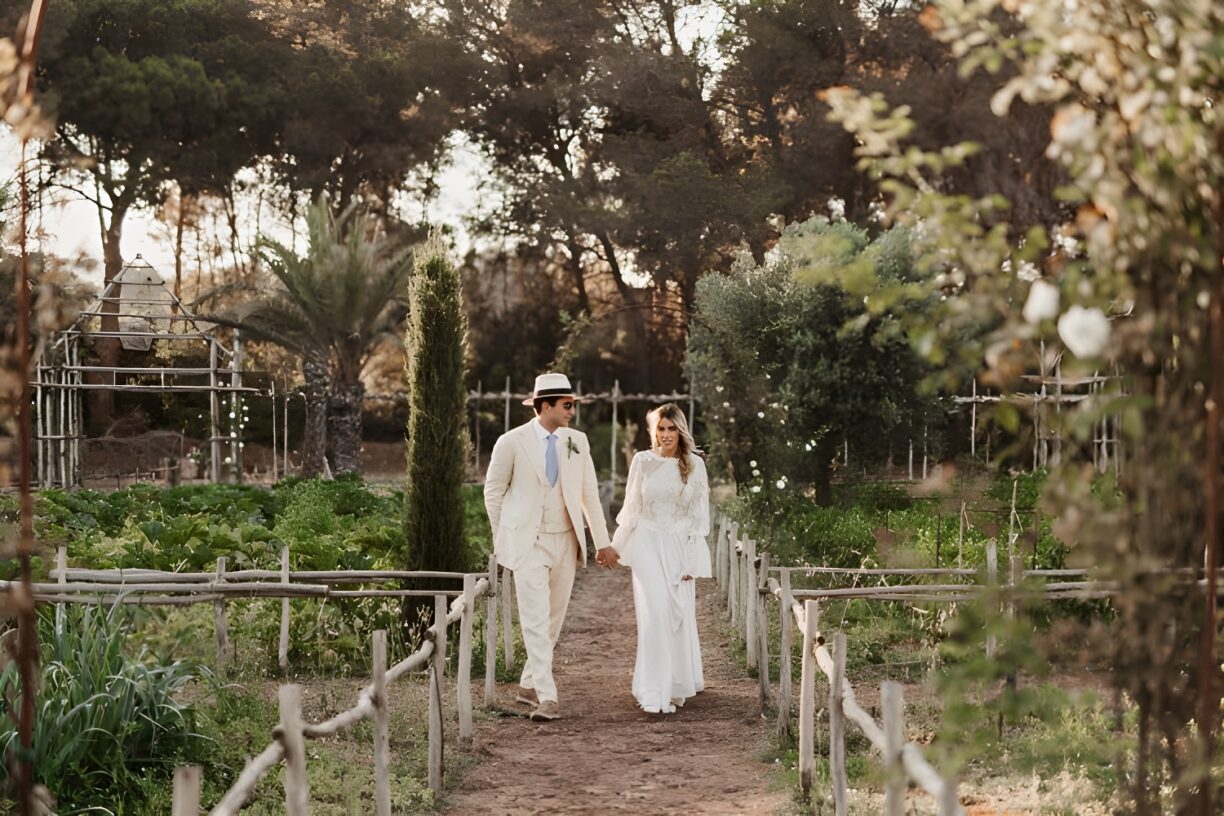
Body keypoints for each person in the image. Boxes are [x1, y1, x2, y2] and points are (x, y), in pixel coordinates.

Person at [483, 372, 620, 722]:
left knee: (553, 621)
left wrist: (602, 543)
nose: (572, 410)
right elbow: (493, 491)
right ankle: (547, 696)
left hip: (565, 540)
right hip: (528, 542)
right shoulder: (511, 442)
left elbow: (589, 493)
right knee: (534, 619)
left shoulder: (578, 441)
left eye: (572, 405)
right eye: (566, 405)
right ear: (545, 406)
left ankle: (529, 685)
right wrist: (505, 536)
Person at [611, 403, 712, 714]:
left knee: (675, 614)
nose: (666, 435)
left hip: (679, 544)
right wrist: (615, 545)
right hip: (647, 542)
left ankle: (675, 684)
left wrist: (691, 560)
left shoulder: (695, 465)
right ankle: (654, 690)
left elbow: (699, 517)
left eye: (671, 429)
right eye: (660, 429)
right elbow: (632, 507)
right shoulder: (642, 461)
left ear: (680, 431)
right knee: (655, 613)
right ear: (653, 431)